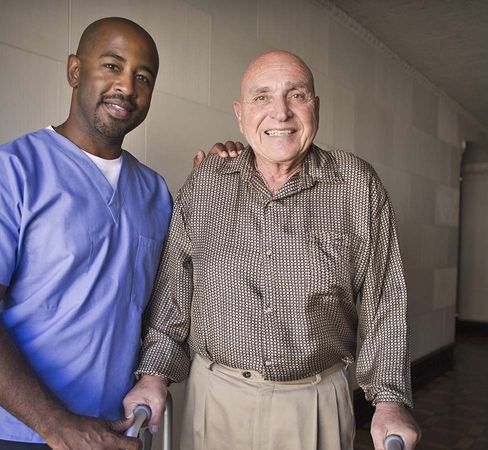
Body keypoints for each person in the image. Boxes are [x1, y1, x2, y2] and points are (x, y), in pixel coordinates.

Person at [0, 17, 216, 450]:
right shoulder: (9, 171)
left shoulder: (155, 191)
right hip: (19, 431)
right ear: (75, 71)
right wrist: (57, 424)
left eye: (143, 77)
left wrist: (219, 178)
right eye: (112, 66)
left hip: (120, 428)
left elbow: (174, 299)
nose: (127, 87)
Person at [125, 50, 421, 450]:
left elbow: (384, 301)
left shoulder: (356, 185)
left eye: (296, 95)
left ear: (315, 106)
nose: (280, 113)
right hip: (215, 401)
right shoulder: (206, 182)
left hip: (315, 405)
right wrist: (153, 376)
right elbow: (173, 296)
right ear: (240, 113)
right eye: (262, 97)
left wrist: (389, 401)